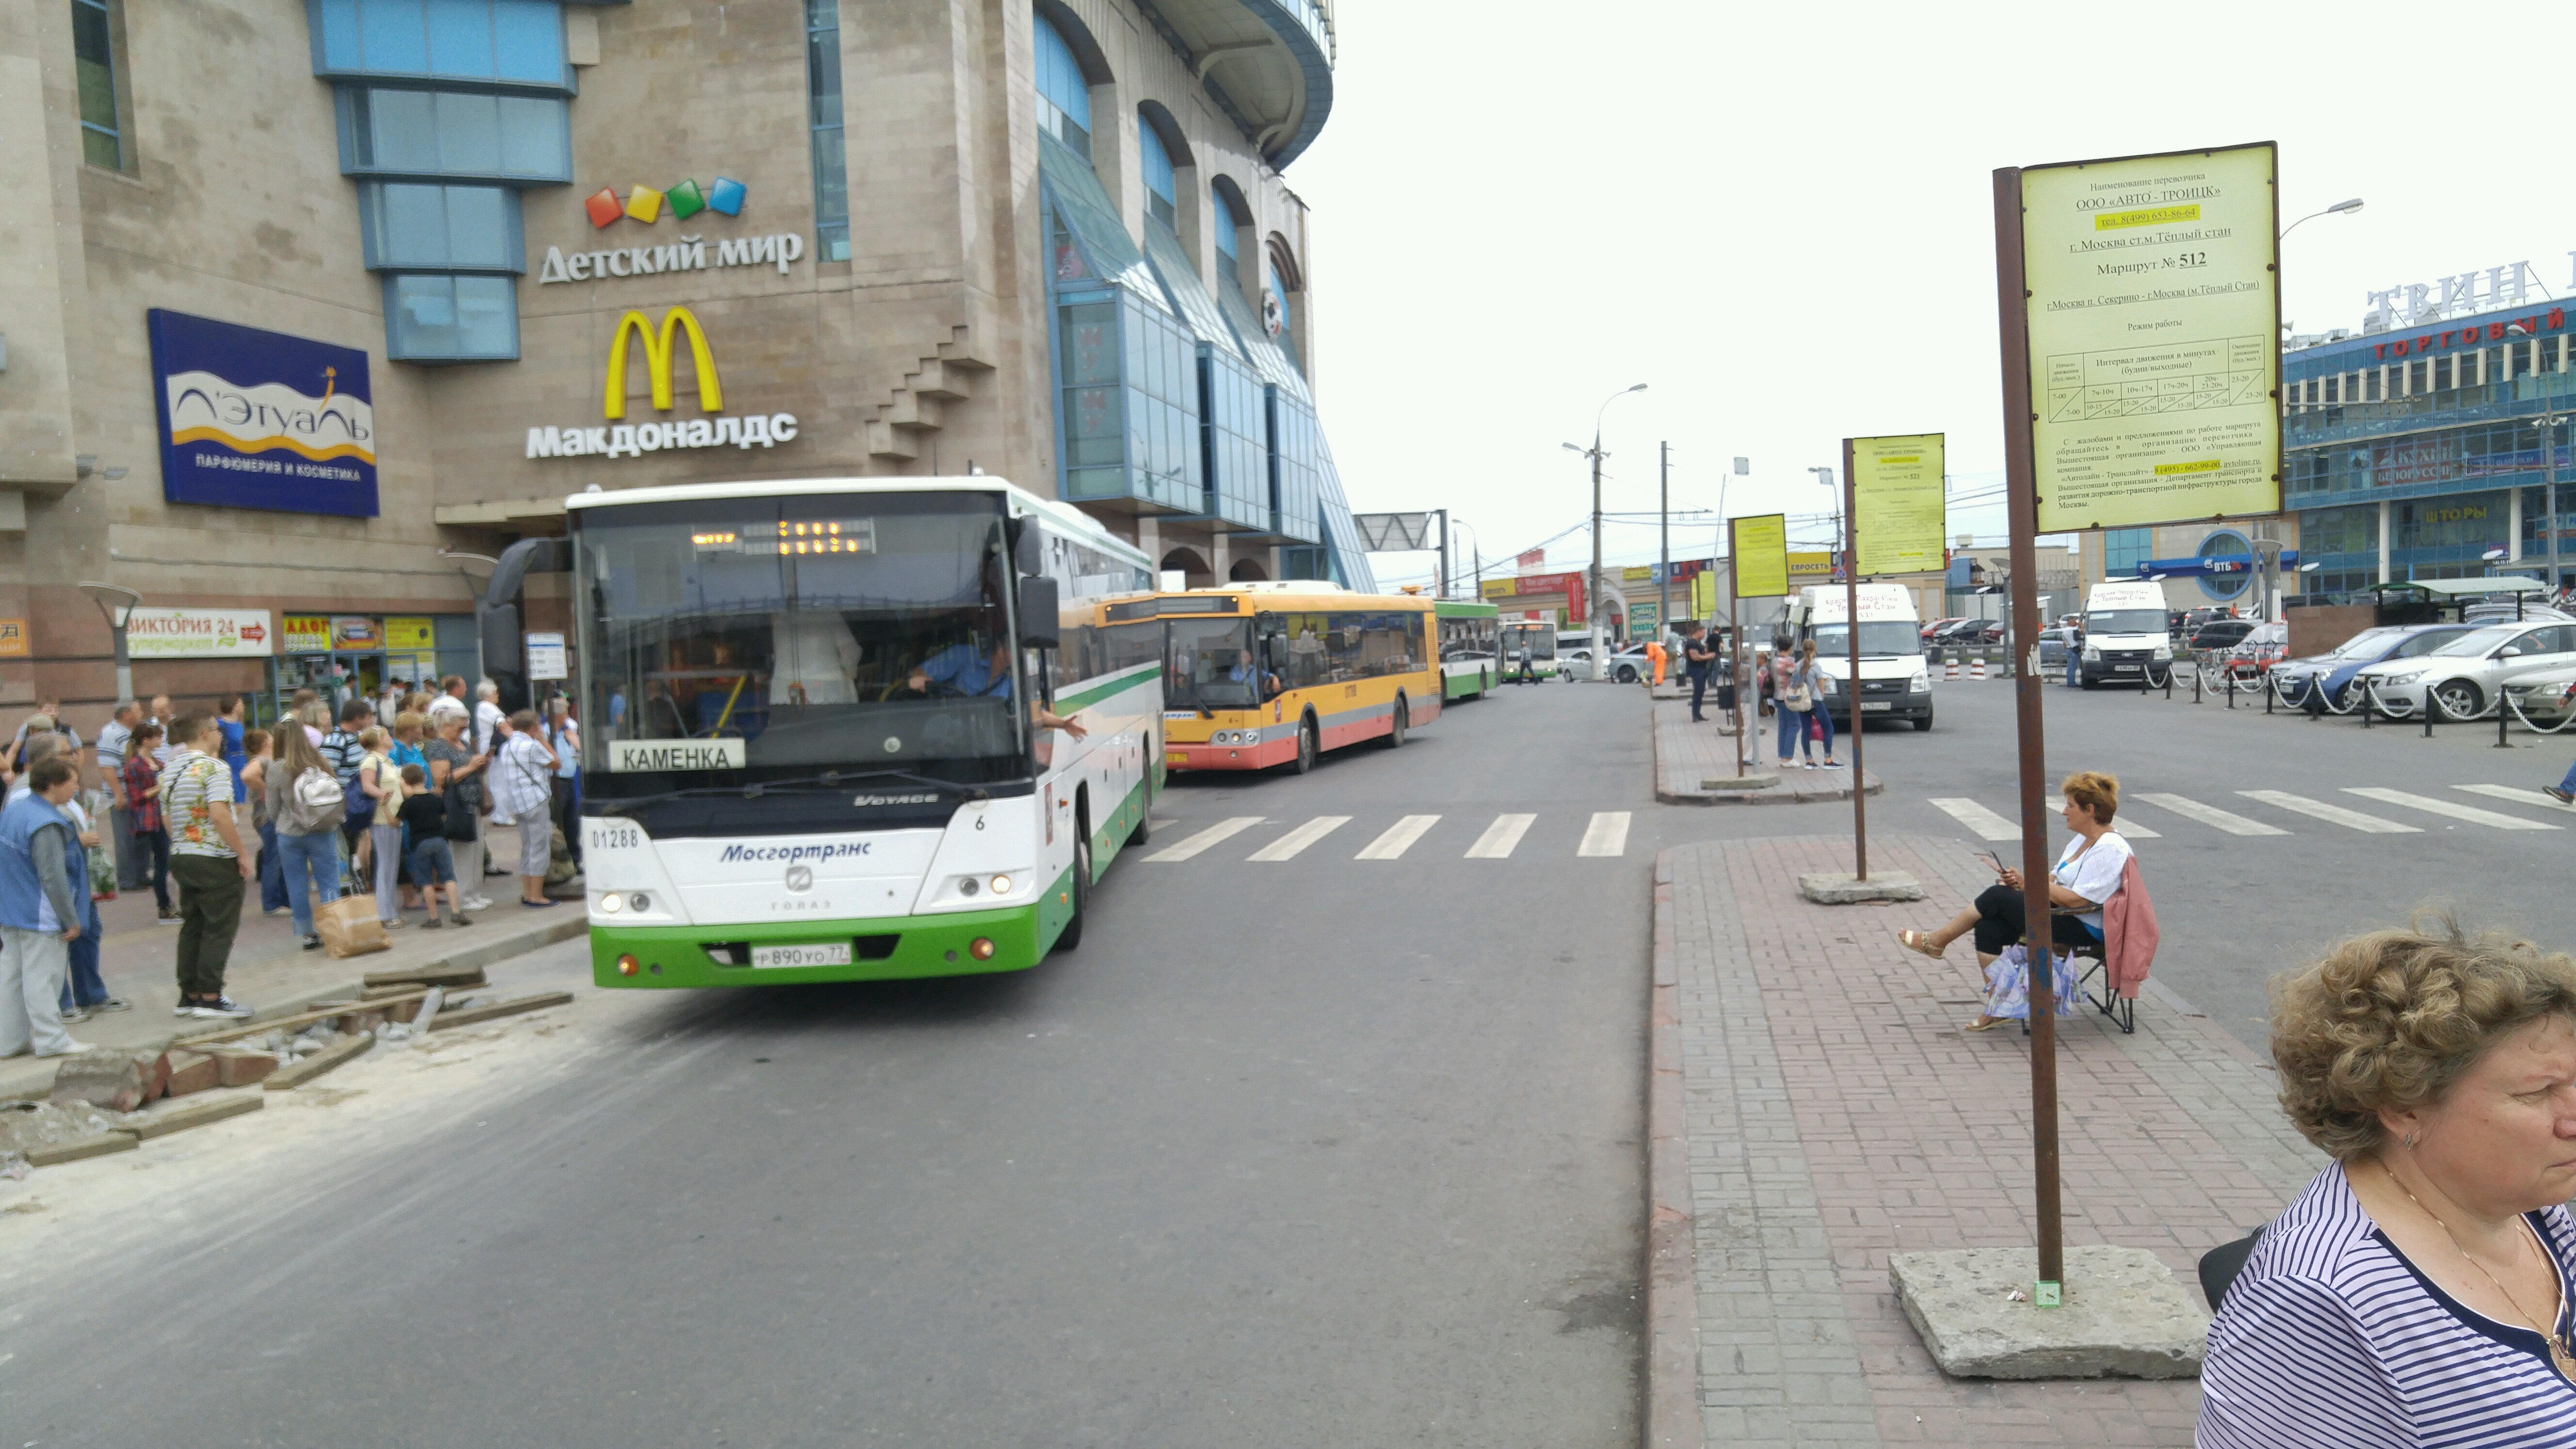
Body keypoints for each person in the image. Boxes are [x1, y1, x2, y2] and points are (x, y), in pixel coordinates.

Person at [2199, 921, 2576, 1444]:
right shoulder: (2320, 1301)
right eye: (2537, 1092)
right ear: (2404, 1108)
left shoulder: (2527, 1208)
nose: (2570, 1116)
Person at [1895, 771, 2133, 1031]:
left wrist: (2028, 884)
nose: (2064, 811)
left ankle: (1938, 941)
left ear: (2089, 810)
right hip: (2060, 912)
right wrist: (2021, 883)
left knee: (1996, 897)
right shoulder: (2083, 840)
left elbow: (2077, 901)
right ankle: (2001, 1006)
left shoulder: (2110, 848)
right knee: (1989, 925)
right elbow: (2053, 879)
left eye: (2070, 806)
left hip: (2084, 927)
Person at [160, 713, 254, 1018]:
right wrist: (240, 852)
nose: (221, 735)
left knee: (193, 924)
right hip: (213, 856)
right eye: (217, 730)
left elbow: (167, 818)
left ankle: (189, 995)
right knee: (219, 926)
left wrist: (184, 842)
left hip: (181, 854)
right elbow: (219, 814)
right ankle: (212, 996)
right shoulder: (214, 767)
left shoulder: (170, 770)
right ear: (204, 733)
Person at [0, 758, 93, 1058]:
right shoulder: (47, 823)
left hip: (10, 907)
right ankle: (52, 1039)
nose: (77, 788)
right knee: (44, 977)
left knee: (11, 977)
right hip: (41, 913)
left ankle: (9, 1041)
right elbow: (53, 877)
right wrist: (72, 919)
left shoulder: (14, 810)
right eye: (72, 781)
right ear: (53, 785)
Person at [266, 724, 344, 950]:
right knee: (328, 880)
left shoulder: (277, 768)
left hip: (290, 834)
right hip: (321, 830)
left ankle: (307, 934)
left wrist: (283, 820)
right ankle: (333, 930)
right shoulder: (321, 762)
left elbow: (272, 808)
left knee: (296, 883)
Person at [906, 642, 1090, 737]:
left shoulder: (1010, 682)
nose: (1020, 655)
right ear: (1001, 650)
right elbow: (920, 672)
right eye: (1015, 649)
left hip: (984, 742)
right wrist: (918, 679)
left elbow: (1034, 714)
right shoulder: (965, 656)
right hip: (945, 731)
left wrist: (1064, 724)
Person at [491, 710, 561, 907]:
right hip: (535, 801)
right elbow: (556, 763)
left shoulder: (507, 747)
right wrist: (543, 741)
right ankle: (537, 896)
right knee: (540, 847)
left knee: (527, 847)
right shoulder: (531, 746)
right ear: (532, 728)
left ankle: (527, 892)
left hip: (517, 803)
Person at [424, 712, 490, 911]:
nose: (463, 731)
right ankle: (463, 897)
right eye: (460, 727)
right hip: (457, 805)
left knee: (476, 851)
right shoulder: (438, 747)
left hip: (473, 803)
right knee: (461, 852)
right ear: (446, 725)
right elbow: (441, 779)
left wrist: (481, 765)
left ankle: (474, 893)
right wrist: (470, 767)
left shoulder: (462, 743)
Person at [395, 764, 471, 930]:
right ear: (425, 778)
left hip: (420, 843)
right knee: (449, 877)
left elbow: (396, 822)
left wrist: (385, 809)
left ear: (406, 783)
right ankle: (456, 912)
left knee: (426, 881)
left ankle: (434, 917)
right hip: (440, 840)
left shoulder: (408, 804)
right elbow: (444, 816)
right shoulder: (436, 799)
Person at [122, 722, 174, 922]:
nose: (161, 741)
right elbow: (136, 797)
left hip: (162, 814)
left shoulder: (156, 761)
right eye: (157, 737)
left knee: (164, 860)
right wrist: (159, 787)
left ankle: (166, 904)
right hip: (150, 819)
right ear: (146, 740)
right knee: (162, 861)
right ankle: (164, 905)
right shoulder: (134, 765)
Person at [320, 699, 374, 890]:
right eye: (368, 717)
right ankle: (345, 890)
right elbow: (326, 772)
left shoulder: (356, 738)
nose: (371, 721)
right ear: (357, 718)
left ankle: (354, 887)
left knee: (352, 849)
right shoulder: (336, 740)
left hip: (357, 806)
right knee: (343, 850)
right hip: (344, 805)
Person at [353, 725, 403, 928]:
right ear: (379, 739)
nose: (391, 738)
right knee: (386, 864)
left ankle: (389, 909)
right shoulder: (371, 760)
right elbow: (367, 785)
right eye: (387, 735)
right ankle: (384, 913)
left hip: (393, 817)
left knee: (391, 864)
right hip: (382, 817)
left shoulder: (387, 760)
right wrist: (380, 794)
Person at [240, 728, 291, 919]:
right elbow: (247, 775)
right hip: (268, 816)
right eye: (269, 737)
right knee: (274, 857)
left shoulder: (269, 761)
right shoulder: (261, 761)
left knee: (280, 856)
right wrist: (268, 791)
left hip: (271, 816)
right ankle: (272, 902)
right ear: (266, 743)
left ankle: (284, 900)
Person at [96, 699, 145, 892]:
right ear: (126, 714)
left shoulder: (128, 734)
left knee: (137, 837)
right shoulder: (111, 733)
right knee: (124, 837)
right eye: (138, 710)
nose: (142, 713)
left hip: (135, 794)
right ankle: (127, 879)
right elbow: (107, 767)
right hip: (123, 795)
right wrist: (119, 795)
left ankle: (139, 875)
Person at [544, 698, 581, 868]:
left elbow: (579, 750)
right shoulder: (545, 733)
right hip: (555, 781)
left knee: (572, 821)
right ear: (557, 715)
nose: (567, 716)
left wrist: (573, 738)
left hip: (569, 779)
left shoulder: (566, 732)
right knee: (557, 820)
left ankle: (574, 859)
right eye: (565, 712)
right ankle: (559, 861)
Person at [215, 694, 248, 803]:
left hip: (241, 763)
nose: (243, 706)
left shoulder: (239, 725)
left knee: (242, 800)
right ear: (234, 706)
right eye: (240, 704)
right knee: (234, 798)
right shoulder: (221, 724)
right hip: (229, 763)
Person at [1682, 623, 1717, 722]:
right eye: (1704, 633)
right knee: (1698, 692)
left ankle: (1698, 714)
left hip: (1700, 670)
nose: (1704, 635)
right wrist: (1708, 657)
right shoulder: (1692, 643)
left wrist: (1707, 655)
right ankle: (1695, 716)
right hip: (1697, 670)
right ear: (1699, 631)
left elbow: (1686, 655)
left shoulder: (1696, 643)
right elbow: (1695, 657)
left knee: (1701, 692)